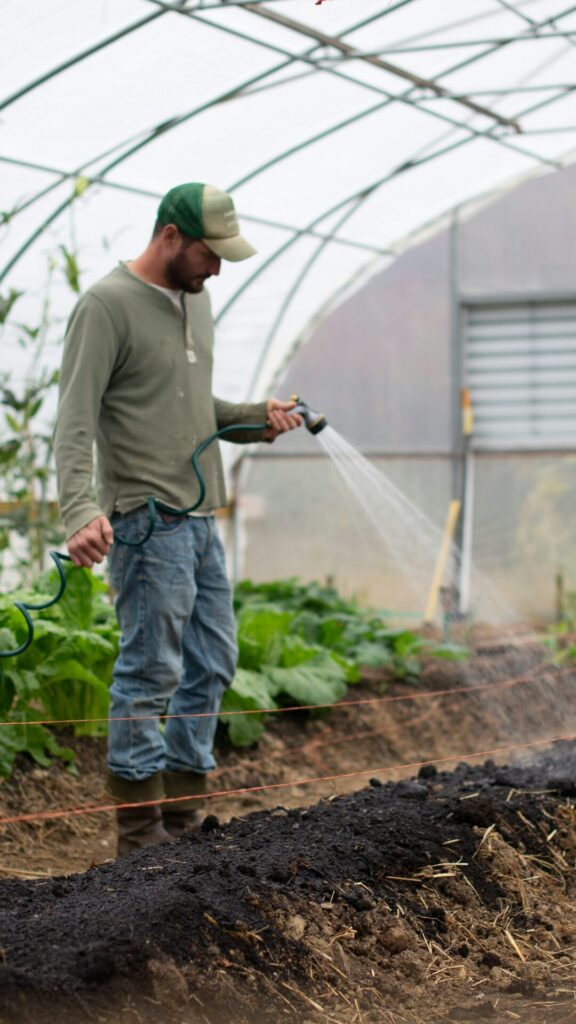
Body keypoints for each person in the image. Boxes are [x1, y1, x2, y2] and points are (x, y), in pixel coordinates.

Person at [54, 182, 302, 855]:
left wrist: (258, 419)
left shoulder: (198, 300)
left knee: (214, 659)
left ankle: (184, 820)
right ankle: (139, 834)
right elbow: (74, 420)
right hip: (145, 519)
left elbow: (194, 410)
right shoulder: (106, 306)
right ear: (170, 237)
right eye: (209, 253)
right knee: (149, 669)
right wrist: (80, 509)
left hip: (199, 519)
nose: (218, 267)